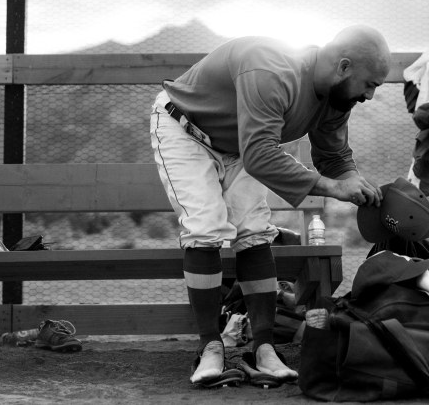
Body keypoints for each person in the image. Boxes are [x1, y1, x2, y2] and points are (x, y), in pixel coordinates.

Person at [149, 25, 391, 386]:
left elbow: (334, 153)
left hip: (240, 145)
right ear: (343, 67)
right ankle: (210, 347)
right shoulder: (272, 70)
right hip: (185, 130)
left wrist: (352, 179)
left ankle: (264, 349)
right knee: (205, 226)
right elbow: (260, 155)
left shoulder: (336, 98)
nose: (369, 95)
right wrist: (331, 187)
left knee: (253, 230)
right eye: (369, 84)